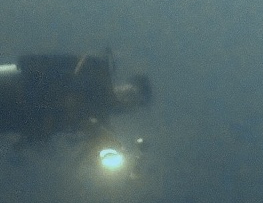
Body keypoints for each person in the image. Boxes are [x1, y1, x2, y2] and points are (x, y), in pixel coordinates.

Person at [0, 52, 151, 143]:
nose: (127, 98)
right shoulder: (96, 72)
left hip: (21, 118)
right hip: (20, 90)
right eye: (131, 92)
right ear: (124, 84)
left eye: (134, 102)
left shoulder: (100, 120)